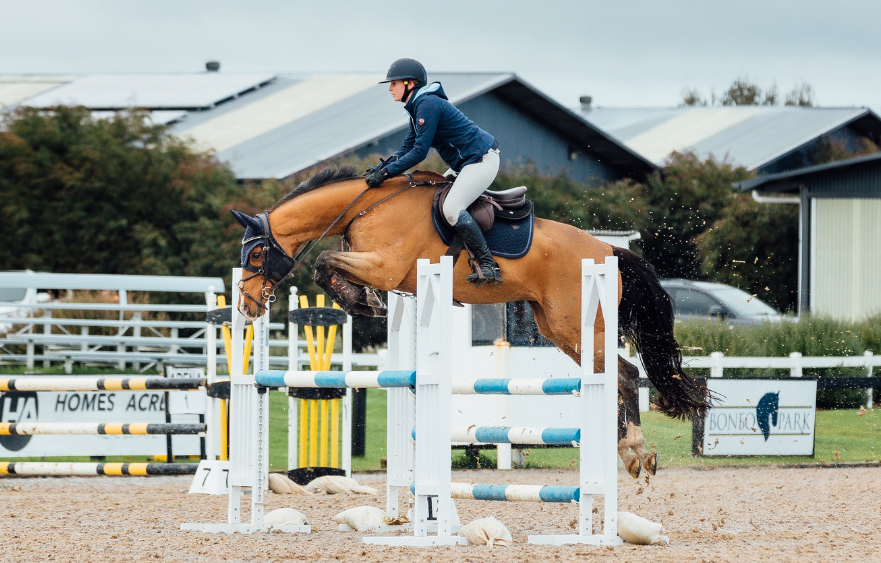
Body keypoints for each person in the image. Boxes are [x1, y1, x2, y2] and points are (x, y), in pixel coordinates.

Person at [364, 58, 502, 286]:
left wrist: (387, 174)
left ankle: (489, 265)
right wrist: (382, 168)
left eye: (394, 83)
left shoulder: (427, 104)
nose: (390, 89)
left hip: (481, 160)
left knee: (451, 208)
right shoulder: (418, 106)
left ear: (410, 83)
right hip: (466, 163)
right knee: (430, 199)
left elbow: (419, 153)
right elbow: (407, 147)